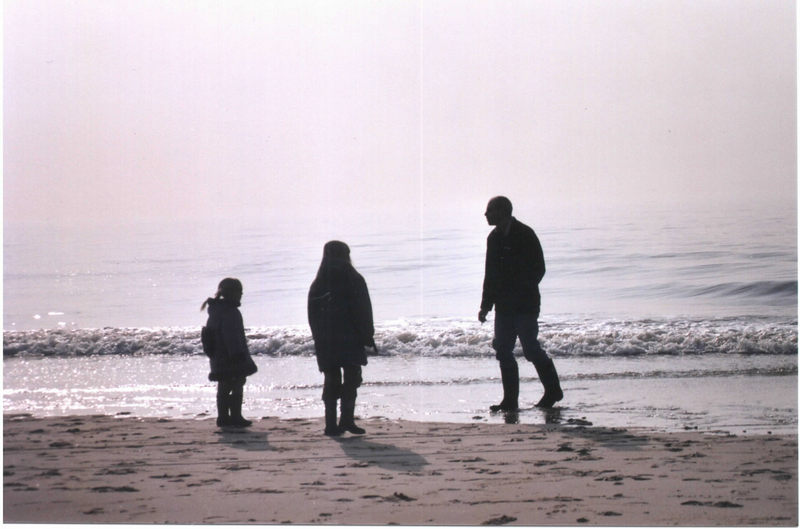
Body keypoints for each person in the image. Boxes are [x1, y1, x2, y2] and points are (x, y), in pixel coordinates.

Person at [479, 196, 563, 410]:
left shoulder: (525, 234)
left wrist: (521, 289)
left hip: (525, 305)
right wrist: (485, 305)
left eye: (490, 211)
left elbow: (539, 269)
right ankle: (510, 401)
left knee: (531, 349)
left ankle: (553, 390)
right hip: (504, 306)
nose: (486, 215)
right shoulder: (493, 238)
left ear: (502, 211)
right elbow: (491, 274)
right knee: (503, 350)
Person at [308, 241, 376, 436]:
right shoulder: (353, 278)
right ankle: (346, 420)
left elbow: (312, 315)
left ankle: (331, 424)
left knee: (332, 379)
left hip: (326, 340)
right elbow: (364, 309)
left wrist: (318, 338)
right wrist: (367, 335)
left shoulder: (319, 282)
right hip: (350, 338)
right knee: (352, 377)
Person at [201, 278, 258, 428]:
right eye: (239, 292)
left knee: (224, 385)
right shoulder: (230, 312)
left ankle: (223, 417)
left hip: (218, 356)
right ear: (232, 293)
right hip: (232, 355)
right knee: (237, 383)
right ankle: (235, 416)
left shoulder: (215, 311)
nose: (241, 295)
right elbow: (231, 337)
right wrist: (237, 355)